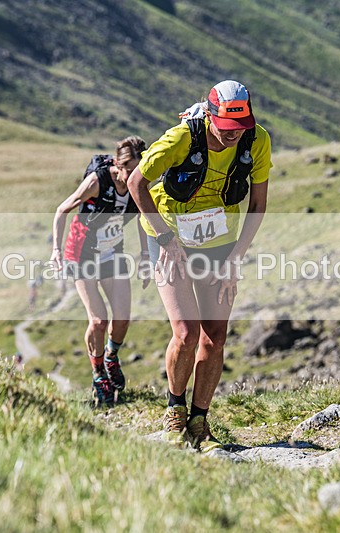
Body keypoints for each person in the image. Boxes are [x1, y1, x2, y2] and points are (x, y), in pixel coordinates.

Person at [129, 80, 272, 452]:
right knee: (187, 333)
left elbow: (257, 205)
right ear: (209, 116)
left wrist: (235, 260)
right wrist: (163, 238)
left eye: (239, 128)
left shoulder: (257, 141)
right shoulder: (180, 139)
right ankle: (174, 411)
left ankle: (200, 422)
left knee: (215, 337)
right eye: (225, 128)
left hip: (220, 242)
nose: (232, 136)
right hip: (170, 238)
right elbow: (136, 183)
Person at [50, 136, 150, 407]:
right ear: (118, 163)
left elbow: (143, 217)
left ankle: (110, 356)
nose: (134, 176)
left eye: (139, 169)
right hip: (81, 253)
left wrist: (145, 255)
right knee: (98, 321)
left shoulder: (139, 182)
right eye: (130, 169)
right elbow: (62, 210)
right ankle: (97, 373)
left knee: (123, 318)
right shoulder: (97, 181)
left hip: (111, 253)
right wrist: (56, 251)